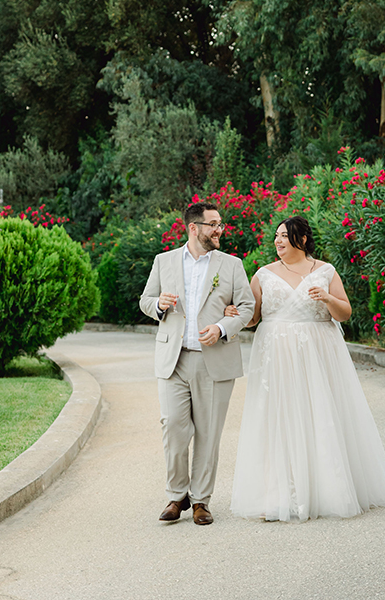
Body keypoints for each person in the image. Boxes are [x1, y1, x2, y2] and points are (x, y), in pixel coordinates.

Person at [226, 215, 385, 522]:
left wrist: (328, 297)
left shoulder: (325, 271)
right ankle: (278, 495)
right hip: (276, 356)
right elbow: (252, 318)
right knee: (279, 417)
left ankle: (328, 489)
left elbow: (344, 313)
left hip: (319, 353)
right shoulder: (263, 275)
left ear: (302, 239)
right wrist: (234, 313)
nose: (277, 241)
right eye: (276, 236)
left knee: (321, 413)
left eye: (284, 235)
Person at [140, 201, 255, 526]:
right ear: (194, 228)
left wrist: (221, 328)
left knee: (208, 434)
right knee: (173, 428)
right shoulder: (163, 261)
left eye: (220, 224)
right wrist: (158, 305)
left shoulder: (232, 264)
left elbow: (247, 306)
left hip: (214, 362)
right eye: (213, 224)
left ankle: (202, 500)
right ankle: (178, 495)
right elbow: (145, 299)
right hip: (173, 361)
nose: (220, 229)